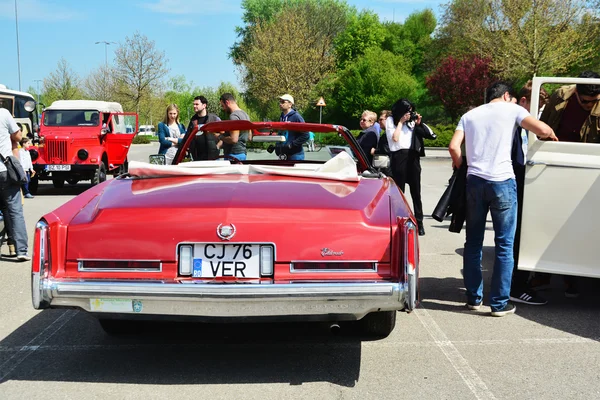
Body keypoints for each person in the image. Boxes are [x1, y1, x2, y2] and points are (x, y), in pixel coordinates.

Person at [449, 81, 557, 317]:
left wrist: (460, 164)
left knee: (473, 242)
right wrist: (552, 136)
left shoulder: (469, 115)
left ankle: (473, 299)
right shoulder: (513, 110)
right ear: (507, 95)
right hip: (502, 182)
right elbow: (543, 130)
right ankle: (498, 304)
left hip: (475, 182)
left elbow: (454, 146)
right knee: (504, 245)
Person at [508, 81, 549, 306]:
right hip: (514, 184)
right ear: (524, 101)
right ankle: (515, 286)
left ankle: (514, 284)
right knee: (516, 238)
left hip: (519, 184)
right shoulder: (515, 123)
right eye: (537, 107)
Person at [385, 99, 437, 236]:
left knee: (416, 193)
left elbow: (432, 135)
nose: (409, 114)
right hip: (399, 157)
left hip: (413, 157)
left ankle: (419, 223)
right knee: (399, 193)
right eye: (407, 111)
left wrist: (419, 123)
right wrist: (401, 122)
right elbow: (394, 138)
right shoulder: (391, 120)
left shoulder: (413, 122)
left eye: (411, 111)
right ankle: (397, 221)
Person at [0, 108, 30, 261]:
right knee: (14, 210)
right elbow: (18, 136)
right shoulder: (4, 114)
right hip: (4, 171)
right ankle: (21, 251)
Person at [541, 70, 600, 143]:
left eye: (595, 101)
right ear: (576, 91)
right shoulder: (559, 96)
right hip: (555, 149)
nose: (590, 105)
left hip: (587, 152)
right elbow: (543, 122)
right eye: (585, 101)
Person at [186, 96, 221, 160]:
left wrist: (217, 147)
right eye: (193, 104)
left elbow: (224, 134)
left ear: (204, 105)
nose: (194, 106)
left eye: (197, 104)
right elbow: (188, 136)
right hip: (197, 157)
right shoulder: (193, 120)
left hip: (213, 157)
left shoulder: (214, 118)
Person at [275, 94, 309, 161]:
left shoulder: (297, 117)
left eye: (283, 102)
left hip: (295, 155)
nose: (280, 104)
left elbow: (306, 135)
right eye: (280, 102)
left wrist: (291, 145)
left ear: (290, 104)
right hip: (283, 155)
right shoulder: (281, 117)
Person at [218, 93, 250, 161]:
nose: (223, 109)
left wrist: (220, 136)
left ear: (227, 102)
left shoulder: (234, 116)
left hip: (232, 155)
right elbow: (249, 137)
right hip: (242, 153)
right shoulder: (245, 115)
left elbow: (234, 139)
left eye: (222, 106)